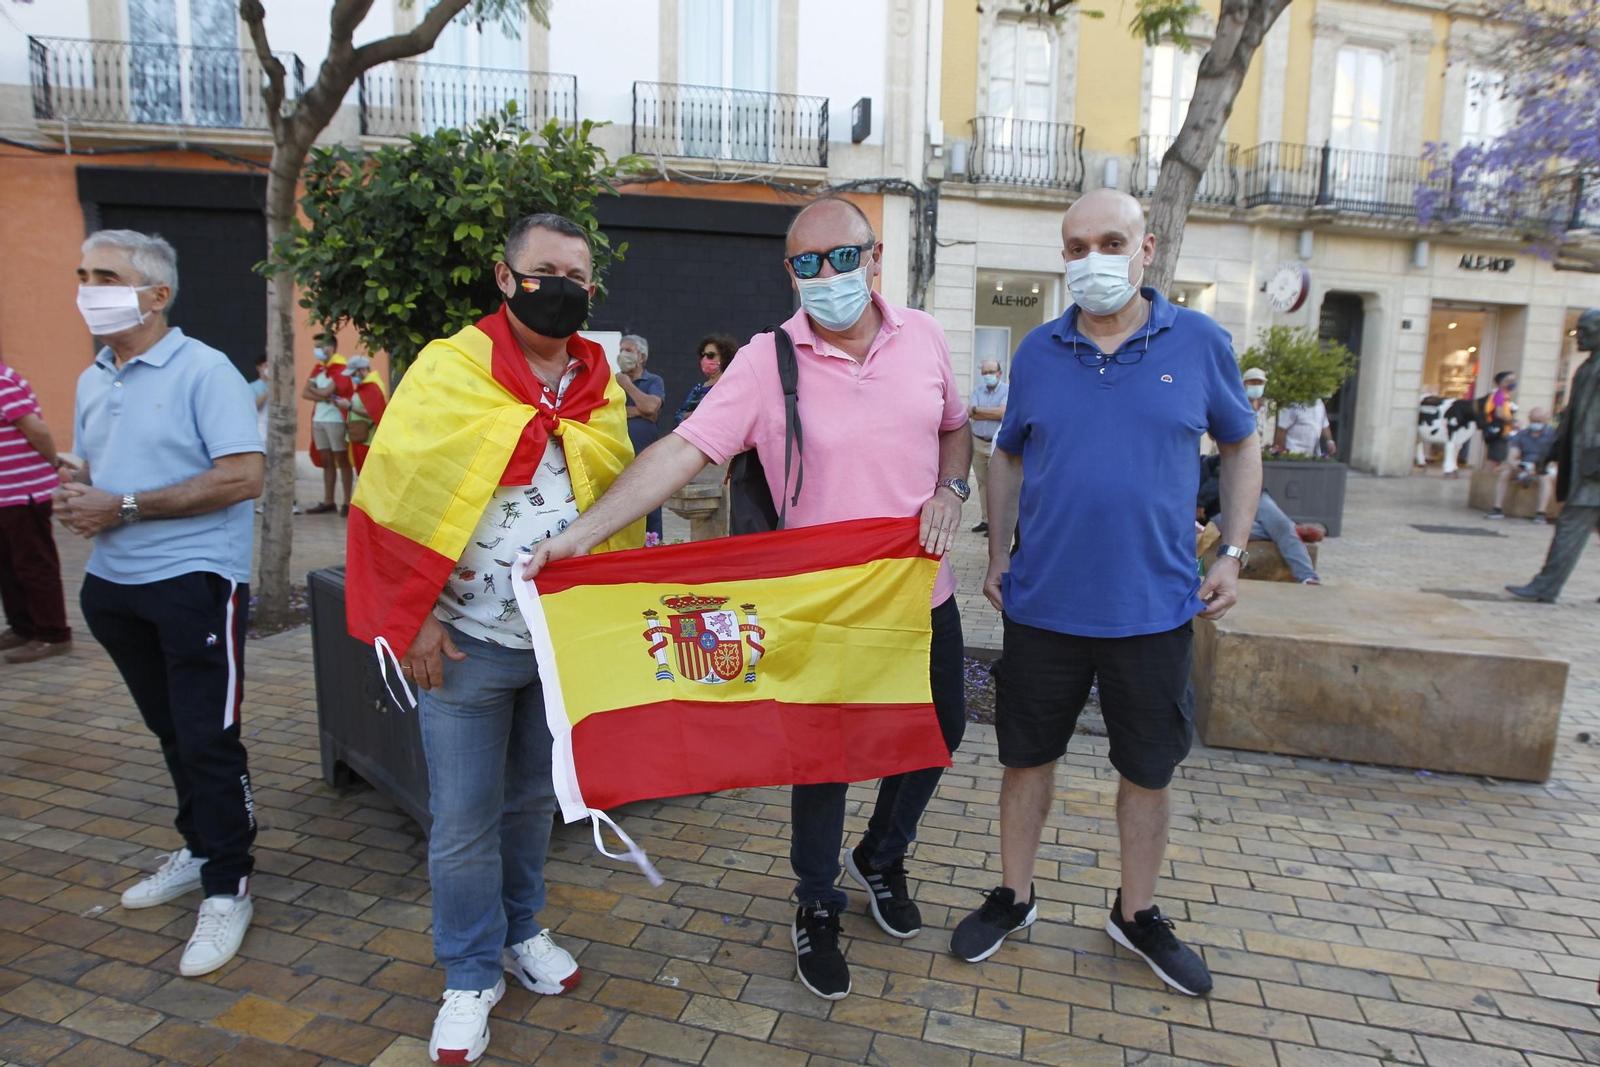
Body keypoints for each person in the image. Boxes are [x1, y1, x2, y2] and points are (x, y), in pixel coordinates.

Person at [526, 196, 972, 1003]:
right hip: (822, 604)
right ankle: (817, 901)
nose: (828, 275)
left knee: (941, 729)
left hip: (919, 589)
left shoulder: (927, 337)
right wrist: (585, 533)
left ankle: (882, 852)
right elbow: (684, 449)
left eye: (843, 258)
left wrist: (952, 486)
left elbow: (955, 424)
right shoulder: (770, 360)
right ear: (790, 273)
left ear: (874, 259)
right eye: (808, 264)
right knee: (825, 761)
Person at [344, 214, 641, 1065]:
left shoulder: (599, 380)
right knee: (463, 820)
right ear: (505, 279)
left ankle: (521, 931)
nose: (566, 287)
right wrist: (419, 617)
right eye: (546, 270)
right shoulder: (450, 371)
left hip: (556, 645)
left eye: (579, 275)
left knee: (530, 804)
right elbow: (395, 491)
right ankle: (470, 973)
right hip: (464, 642)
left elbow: (616, 496)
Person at [954, 190, 1262, 997]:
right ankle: (1014, 896)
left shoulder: (1198, 341)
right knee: (1026, 761)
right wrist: (996, 548)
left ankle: (1136, 911)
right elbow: (1007, 453)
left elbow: (1240, 443)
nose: (1093, 257)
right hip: (1045, 605)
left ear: (1146, 249)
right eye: (1077, 244)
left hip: (1157, 609)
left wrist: (1230, 550)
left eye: (1110, 241)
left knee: (1148, 772)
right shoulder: (1040, 352)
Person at [56, 229, 263, 977]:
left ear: (157, 294)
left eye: (104, 275)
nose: (87, 287)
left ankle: (227, 884)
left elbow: (243, 477)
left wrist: (126, 505)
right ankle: (201, 844)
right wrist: (77, 490)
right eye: (82, 273)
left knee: (210, 737)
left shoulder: (206, 371)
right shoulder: (93, 377)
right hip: (114, 586)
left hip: (193, 582)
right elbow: (95, 465)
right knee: (170, 730)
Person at [1508, 309, 1600, 604]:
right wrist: (1552, 449)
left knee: (1571, 524)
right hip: (1583, 462)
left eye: (1585, 331)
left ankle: (1545, 587)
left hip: (1594, 467)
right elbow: (1571, 416)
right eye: (1577, 331)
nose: (1578, 337)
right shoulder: (1586, 368)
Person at [0, 352, 71, 663]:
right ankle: (23, 627)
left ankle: (53, 634)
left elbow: (37, 431)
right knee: (8, 567)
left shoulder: (2, 381)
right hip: (4, 495)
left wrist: (54, 463)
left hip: (23, 492)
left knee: (34, 565)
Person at [1198, 452, 1320, 584]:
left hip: (1252, 497)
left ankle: (1308, 577)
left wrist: (1201, 501)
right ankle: (1293, 530)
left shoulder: (1209, 462)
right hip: (1219, 511)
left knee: (1281, 525)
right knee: (1241, 530)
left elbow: (1226, 473)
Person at [616, 334, 666, 540]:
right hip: (618, 454)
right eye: (621, 350)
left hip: (646, 455)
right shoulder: (612, 381)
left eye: (628, 351)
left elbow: (652, 408)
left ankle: (654, 547)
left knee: (650, 503)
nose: (622, 355)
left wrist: (627, 385)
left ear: (641, 357)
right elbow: (609, 412)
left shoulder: (653, 381)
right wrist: (641, 411)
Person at [304, 330, 352, 515]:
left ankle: (347, 502)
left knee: (341, 459)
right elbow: (305, 392)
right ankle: (328, 500)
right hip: (319, 419)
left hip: (335, 419)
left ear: (330, 347)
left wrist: (321, 392)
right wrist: (323, 393)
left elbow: (322, 392)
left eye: (319, 347)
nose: (316, 350)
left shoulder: (341, 367)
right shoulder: (318, 368)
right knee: (326, 460)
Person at [1487, 406, 1556, 523]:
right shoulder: (1522, 435)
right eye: (1533, 421)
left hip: (1545, 466)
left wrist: (1539, 467)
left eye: (1538, 421)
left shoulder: (1553, 436)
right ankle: (1497, 508)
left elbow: (1556, 458)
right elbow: (1513, 455)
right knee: (1504, 473)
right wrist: (1516, 464)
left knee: (1545, 477)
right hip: (1524, 466)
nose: (1535, 424)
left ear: (1546, 420)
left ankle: (1541, 512)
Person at [251, 354, 298, 516]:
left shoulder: (283, 386)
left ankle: (291, 501)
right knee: (266, 468)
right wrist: (268, 390)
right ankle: (267, 501)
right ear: (259, 367)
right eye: (266, 365)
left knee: (284, 466)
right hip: (261, 431)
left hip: (280, 431)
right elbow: (253, 406)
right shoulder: (253, 387)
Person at [968, 359, 1008, 535]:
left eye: (991, 372)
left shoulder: (1007, 390)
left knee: (997, 485)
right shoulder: (977, 390)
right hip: (978, 442)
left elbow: (1003, 413)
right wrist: (979, 411)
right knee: (982, 483)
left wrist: (978, 410)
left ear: (999, 372)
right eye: (985, 373)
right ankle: (985, 520)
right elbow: (969, 412)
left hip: (996, 444)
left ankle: (997, 524)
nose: (988, 376)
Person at [337, 353, 388, 473]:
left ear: (363, 370)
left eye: (354, 373)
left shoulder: (372, 388)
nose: (352, 377)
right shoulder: (363, 387)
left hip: (367, 440)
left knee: (368, 476)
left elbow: (374, 413)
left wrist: (349, 407)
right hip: (359, 437)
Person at [674, 333, 735, 426]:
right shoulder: (698, 388)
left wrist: (691, 416)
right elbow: (679, 415)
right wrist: (693, 416)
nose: (705, 359)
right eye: (703, 355)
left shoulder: (728, 387)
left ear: (723, 357)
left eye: (710, 355)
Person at [1479, 370, 1518, 468]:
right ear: (1501, 382)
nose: (1512, 383)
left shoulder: (1505, 395)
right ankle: (1488, 479)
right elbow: (1499, 413)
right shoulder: (1499, 395)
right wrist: (1513, 422)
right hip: (1498, 430)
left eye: (1513, 380)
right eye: (1509, 381)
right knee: (1495, 459)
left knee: (1497, 459)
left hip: (1502, 430)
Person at [1241, 366, 1273, 442]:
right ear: (1244, 384)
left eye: (1260, 383)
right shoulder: (1239, 403)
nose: (1256, 385)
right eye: (1253, 382)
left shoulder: (1264, 404)